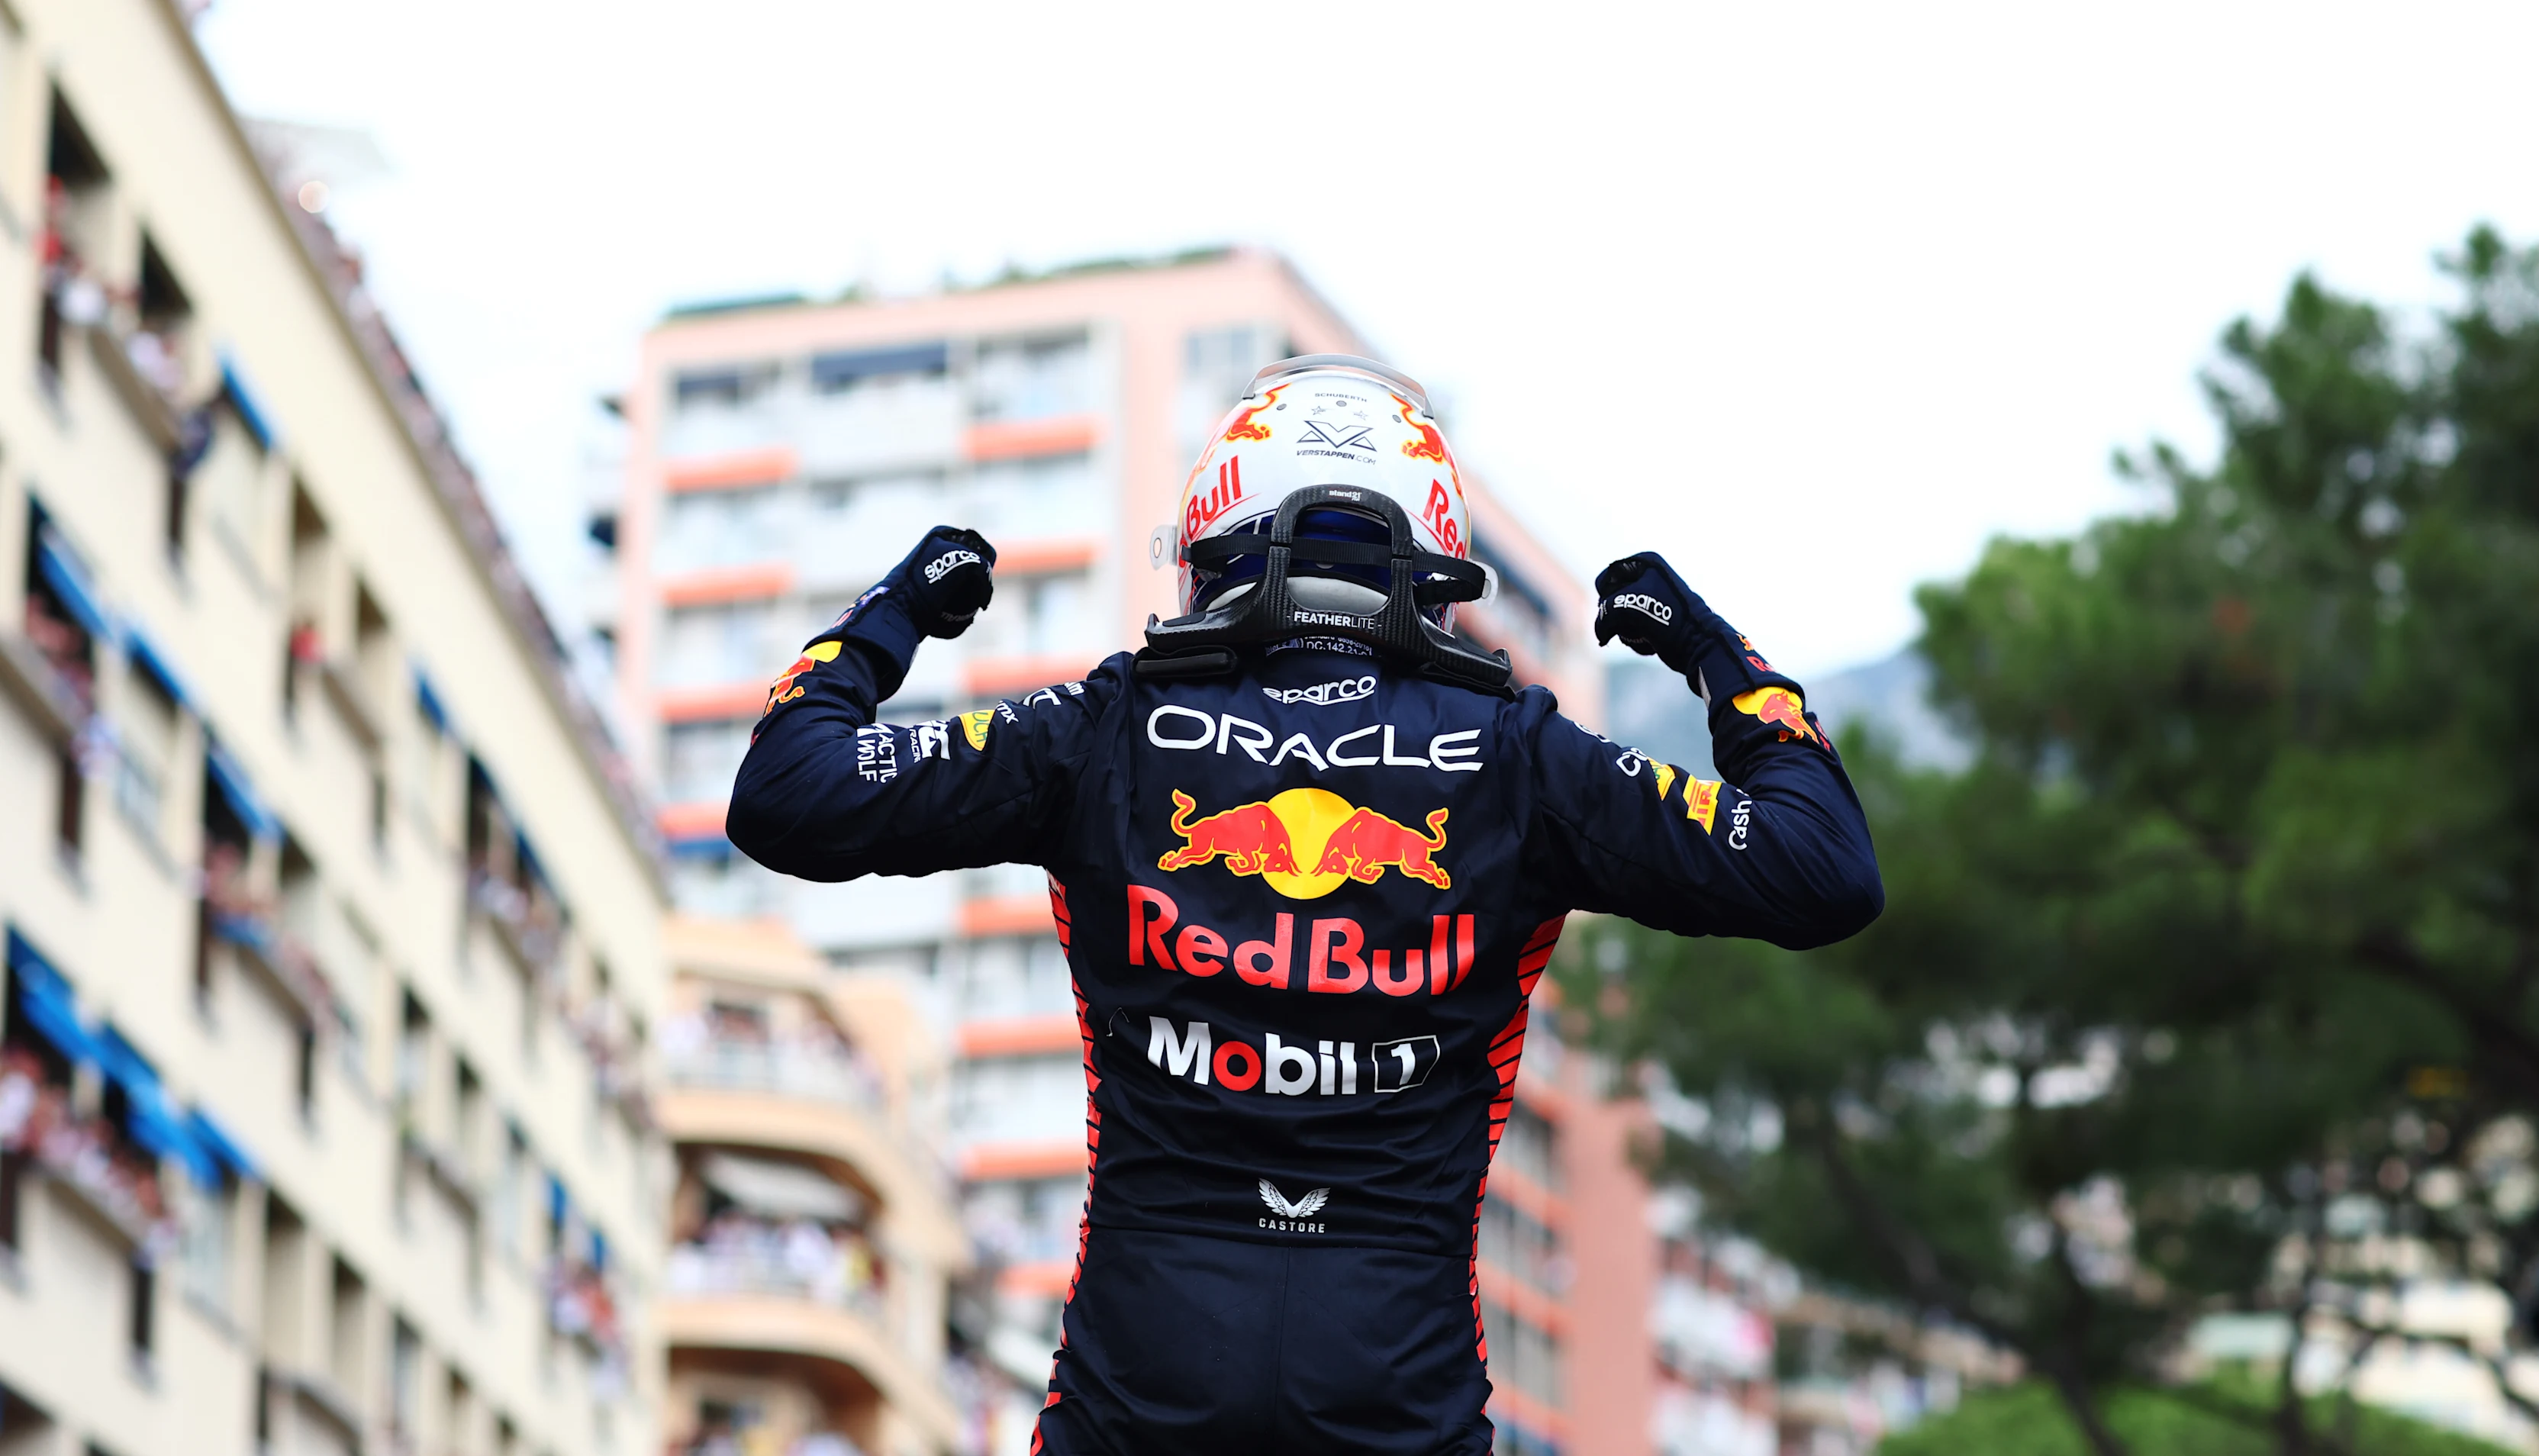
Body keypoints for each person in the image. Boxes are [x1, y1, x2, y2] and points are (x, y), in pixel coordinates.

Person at [730, 354, 1883, 1455]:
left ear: (1213, 535)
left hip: (1146, 1359)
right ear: (1434, 556)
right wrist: (1716, 656)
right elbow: (1824, 866)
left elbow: (787, 793)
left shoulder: (1105, 727)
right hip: (1395, 1366)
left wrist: (896, 614)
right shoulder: (1522, 758)